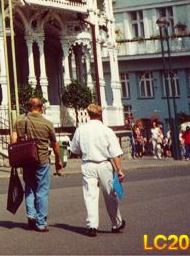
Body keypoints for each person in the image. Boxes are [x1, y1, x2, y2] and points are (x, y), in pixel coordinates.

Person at [68, 103, 126, 237]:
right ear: (100, 114)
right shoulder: (107, 130)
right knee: (110, 195)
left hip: (88, 164)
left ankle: (92, 226)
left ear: (88, 114)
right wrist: (119, 170)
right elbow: (115, 153)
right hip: (104, 164)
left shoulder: (81, 130)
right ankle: (116, 223)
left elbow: (75, 149)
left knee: (90, 195)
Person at [10, 96, 63, 233]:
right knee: (42, 191)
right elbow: (55, 145)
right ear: (41, 108)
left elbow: (13, 140)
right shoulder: (47, 124)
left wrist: (15, 158)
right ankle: (41, 223)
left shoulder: (19, 120)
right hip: (42, 160)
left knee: (29, 188)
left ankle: (31, 216)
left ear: (29, 107)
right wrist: (59, 160)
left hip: (26, 160)